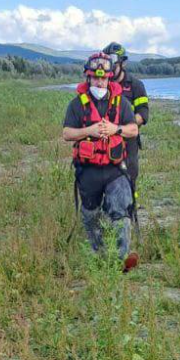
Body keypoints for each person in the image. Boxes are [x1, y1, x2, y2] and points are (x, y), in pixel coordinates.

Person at [63, 52, 140, 270]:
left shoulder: (121, 103)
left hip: (115, 168)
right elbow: (67, 133)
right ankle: (100, 257)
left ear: (109, 78)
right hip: (88, 170)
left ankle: (122, 259)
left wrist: (115, 129)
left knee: (121, 211)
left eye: (104, 78)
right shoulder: (77, 105)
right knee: (91, 216)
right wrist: (89, 130)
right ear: (88, 78)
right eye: (96, 78)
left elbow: (133, 129)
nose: (100, 82)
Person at [102, 42, 149, 193]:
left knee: (130, 174)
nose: (109, 70)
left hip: (128, 139)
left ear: (123, 63)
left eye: (113, 66)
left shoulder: (135, 85)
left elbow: (143, 113)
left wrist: (122, 127)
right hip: (105, 138)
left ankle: (131, 208)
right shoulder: (102, 84)